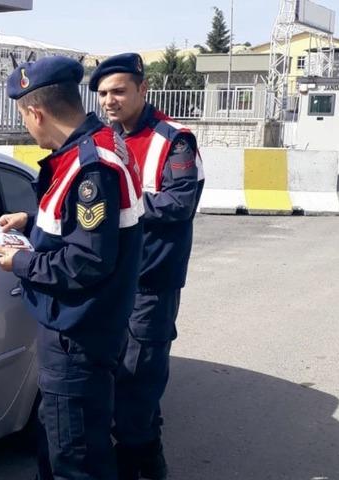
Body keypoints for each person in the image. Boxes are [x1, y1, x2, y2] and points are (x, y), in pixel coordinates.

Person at [0, 56, 143, 480]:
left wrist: (19, 260)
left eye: (25, 118)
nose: (28, 127)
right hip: (91, 329)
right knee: (65, 443)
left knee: (75, 460)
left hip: (76, 336)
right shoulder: (99, 146)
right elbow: (79, 222)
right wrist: (29, 220)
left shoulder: (90, 166)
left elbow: (87, 260)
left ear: (35, 112)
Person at [89, 53, 205, 480]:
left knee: (140, 372)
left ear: (143, 89)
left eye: (119, 91)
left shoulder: (174, 139)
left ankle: (143, 458)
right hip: (108, 279)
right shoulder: (103, 137)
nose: (109, 101)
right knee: (109, 368)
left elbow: (179, 203)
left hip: (151, 281)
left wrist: (118, 203)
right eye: (102, 93)